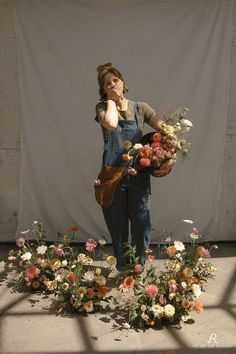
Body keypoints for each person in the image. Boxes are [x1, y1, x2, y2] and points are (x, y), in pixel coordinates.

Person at [94, 63, 175, 270]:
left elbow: (169, 134)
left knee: (141, 225)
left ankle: (138, 269)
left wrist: (169, 154)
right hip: (111, 177)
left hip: (137, 174)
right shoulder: (103, 108)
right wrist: (112, 100)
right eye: (107, 83)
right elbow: (112, 124)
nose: (112, 85)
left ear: (123, 82)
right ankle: (123, 268)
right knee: (118, 228)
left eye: (115, 80)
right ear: (103, 89)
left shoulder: (141, 108)